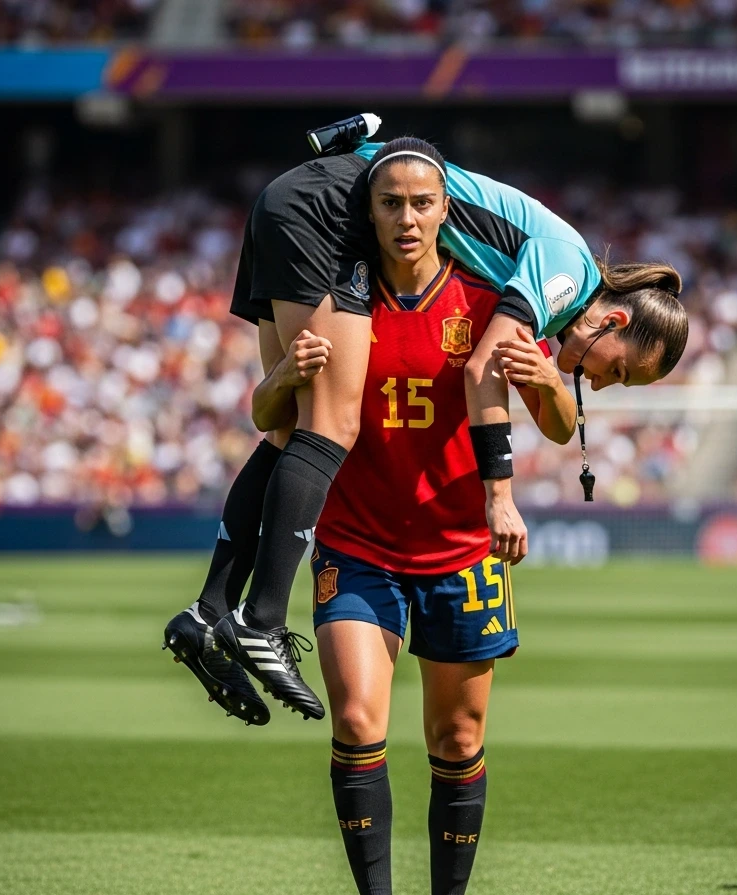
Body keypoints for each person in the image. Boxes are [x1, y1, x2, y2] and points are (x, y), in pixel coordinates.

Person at [165, 127, 688, 721]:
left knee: (289, 429)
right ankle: (260, 620)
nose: (597, 383)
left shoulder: (553, 292)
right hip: (334, 207)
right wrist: (500, 496)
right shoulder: (567, 272)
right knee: (330, 426)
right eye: (616, 371)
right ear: (614, 319)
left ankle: (208, 613)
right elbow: (484, 365)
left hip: (300, 196)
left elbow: (558, 419)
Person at [245, 141, 575, 895]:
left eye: (422, 203)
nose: (406, 218)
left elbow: (564, 422)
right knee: (358, 720)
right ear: (370, 211)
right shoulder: (336, 298)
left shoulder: (488, 298)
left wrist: (546, 381)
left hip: (461, 551)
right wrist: (286, 372)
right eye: (389, 203)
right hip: (357, 545)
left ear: (444, 212)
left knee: (456, 735)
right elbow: (267, 417)